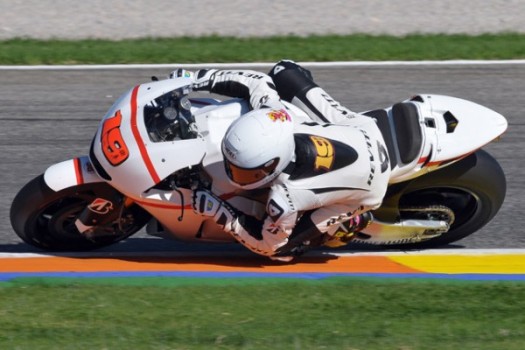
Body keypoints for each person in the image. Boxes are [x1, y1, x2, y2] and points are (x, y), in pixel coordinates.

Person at [171, 60, 391, 260]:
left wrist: (219, 211)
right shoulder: (277, 115)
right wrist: (195, 78)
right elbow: (256, 81)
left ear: (274, 166)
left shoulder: (285, 199)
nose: (233, 173)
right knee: (283, 70)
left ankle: (346, 225)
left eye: (245, 172)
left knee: (283, 252)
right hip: (362, 130)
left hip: (370, 186)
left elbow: (267, 245)